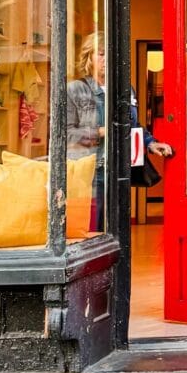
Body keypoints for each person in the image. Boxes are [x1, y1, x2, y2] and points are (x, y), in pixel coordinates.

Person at [67, 32, 173, 232]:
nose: (106, 59)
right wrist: (99, 131)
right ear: (88, 57)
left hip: (119, 170)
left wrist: (150, 142)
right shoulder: (75, 90)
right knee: (92, 232)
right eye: (100, 54)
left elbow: (132, 125)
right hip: (89, 172)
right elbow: (65, 134)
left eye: (110, 54)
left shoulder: (126, 90)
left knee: (117, 232)